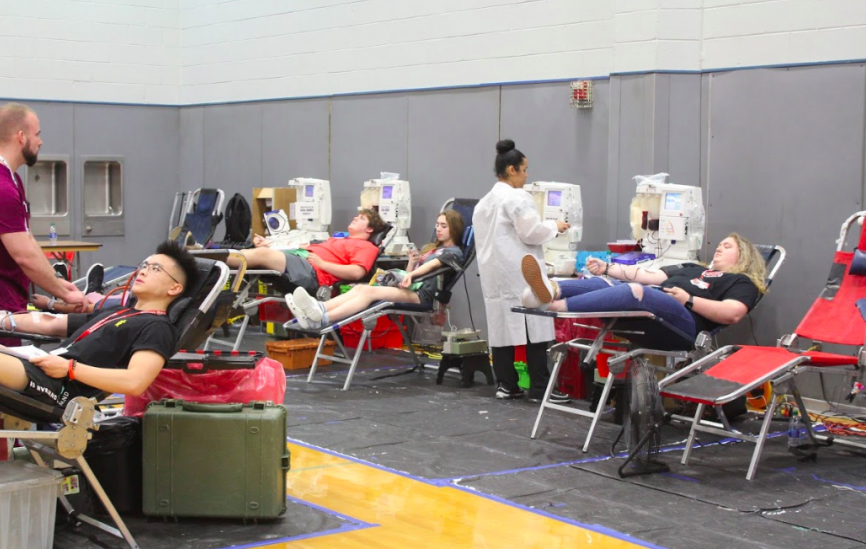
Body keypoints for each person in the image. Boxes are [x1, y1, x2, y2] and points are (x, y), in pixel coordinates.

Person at [0, 241, 199, 408]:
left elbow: (135, 382)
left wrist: (70, 369)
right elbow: (50, 323)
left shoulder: (157, 328)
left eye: (155, 269)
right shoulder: (118, 312)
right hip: (40, 367)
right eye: (145, 265)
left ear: (174, 288)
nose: (144, 271)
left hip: (60, 388)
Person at [0, 103, 86, 345]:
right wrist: (62, 293)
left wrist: (57, 281)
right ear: (21, 137)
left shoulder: (10, 178)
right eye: (37, 134)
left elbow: (28, 241)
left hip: (7, 296)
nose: (40, 142)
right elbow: (23, 255)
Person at [520, 233, 767, 338]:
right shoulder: (694, 268)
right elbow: (646, 275)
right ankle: (550, 289)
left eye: (727, 246)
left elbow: (733, 314)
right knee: (610, 283)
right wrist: (608, 268)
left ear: (744, 256)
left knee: (635, 292)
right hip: (653, 310)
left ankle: (553, 306)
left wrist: (688, 300)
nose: (719, 248)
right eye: (719, 244)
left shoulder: (741, 281)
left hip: (684, 324)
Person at [473, 140, 571, 402]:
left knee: (501, 326)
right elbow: (530, 231)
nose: (527, 175)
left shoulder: (483, 203)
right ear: (513, 169)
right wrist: (555, 226)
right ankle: (541, 388)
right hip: (519, 271)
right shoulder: (516, 197)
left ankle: (506, 384)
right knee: (535, 325)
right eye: (525, 170)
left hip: (494, 274)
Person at [286, 210, 465, 329]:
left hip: (423, 296)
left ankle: (321, 320)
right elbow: (415, 271)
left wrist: (412, 273)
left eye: (444, 226)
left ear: (454, 229)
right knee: (361, 288)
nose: (438, 229)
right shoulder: (431, 249)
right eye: (437, 225)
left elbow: (434, 266)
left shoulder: (453, 252)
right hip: (410, 288)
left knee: (369, 293)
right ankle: (319, 308)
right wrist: (412, 263)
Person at [237, 208, 386, 293]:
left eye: (361, 218)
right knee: (259, 251)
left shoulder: (367, 247)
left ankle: (219, 260)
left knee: (262, 255)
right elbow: (301, 247)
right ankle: (221, 260)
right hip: (302, 259)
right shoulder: (340, 239)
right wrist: (271, 244)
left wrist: (322, 264)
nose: (355, 217)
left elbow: (356, 272)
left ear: (370, 229)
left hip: (313, 273)